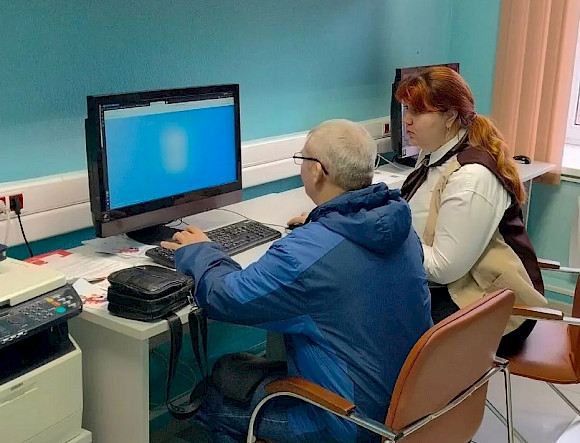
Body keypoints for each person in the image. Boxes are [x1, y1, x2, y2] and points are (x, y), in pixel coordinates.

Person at [161, 119, 432, 442]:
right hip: (410, 404)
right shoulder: (400, 226)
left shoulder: (305, 254)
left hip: (348, 422)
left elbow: (224, 297)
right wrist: (321, 224)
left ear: (317, 171)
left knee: (209, 398)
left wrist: (200, 251)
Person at [394, 66, 547, 356]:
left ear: (450, 116)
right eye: (407, 109)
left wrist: (391, 237)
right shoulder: (434, 154)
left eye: (418, 111)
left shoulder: (471, 178)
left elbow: (443, 268)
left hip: (500, 311)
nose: (407, 120)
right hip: (464, 286)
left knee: (381, 324)